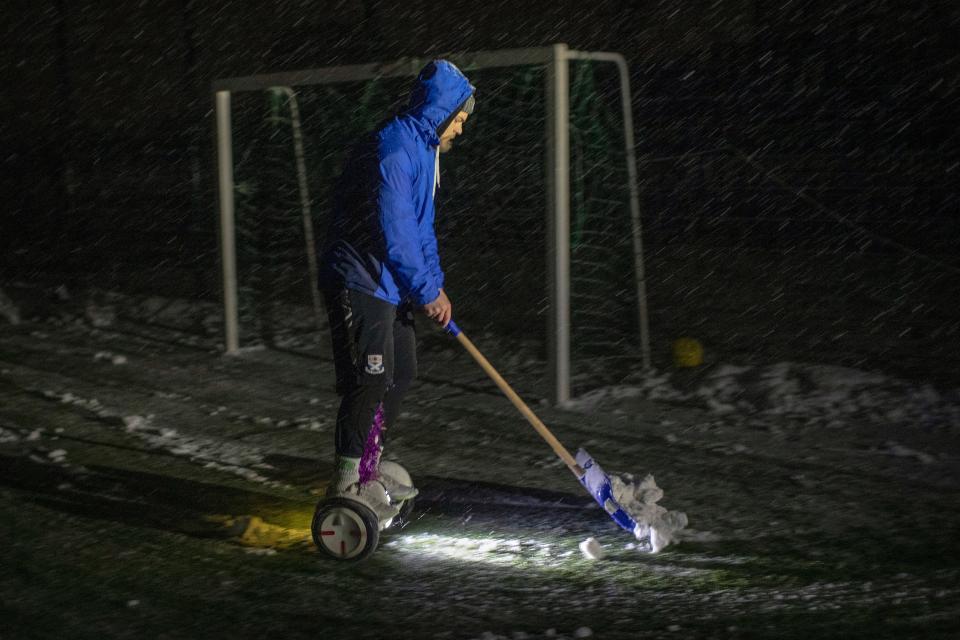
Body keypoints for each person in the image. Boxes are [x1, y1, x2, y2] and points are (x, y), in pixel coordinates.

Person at [319, 59, 475, 520]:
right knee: (368, 378)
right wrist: (425, 289)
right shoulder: (393, 149)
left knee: (400, 372)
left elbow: (421, 229)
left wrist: (435, 286)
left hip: (391, 283)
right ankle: (346, 481)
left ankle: (370, 468)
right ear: (442, 112)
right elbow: (396, 231)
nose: (461, 131)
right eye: (460, 120)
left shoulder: (424, 151)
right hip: (360, 278)